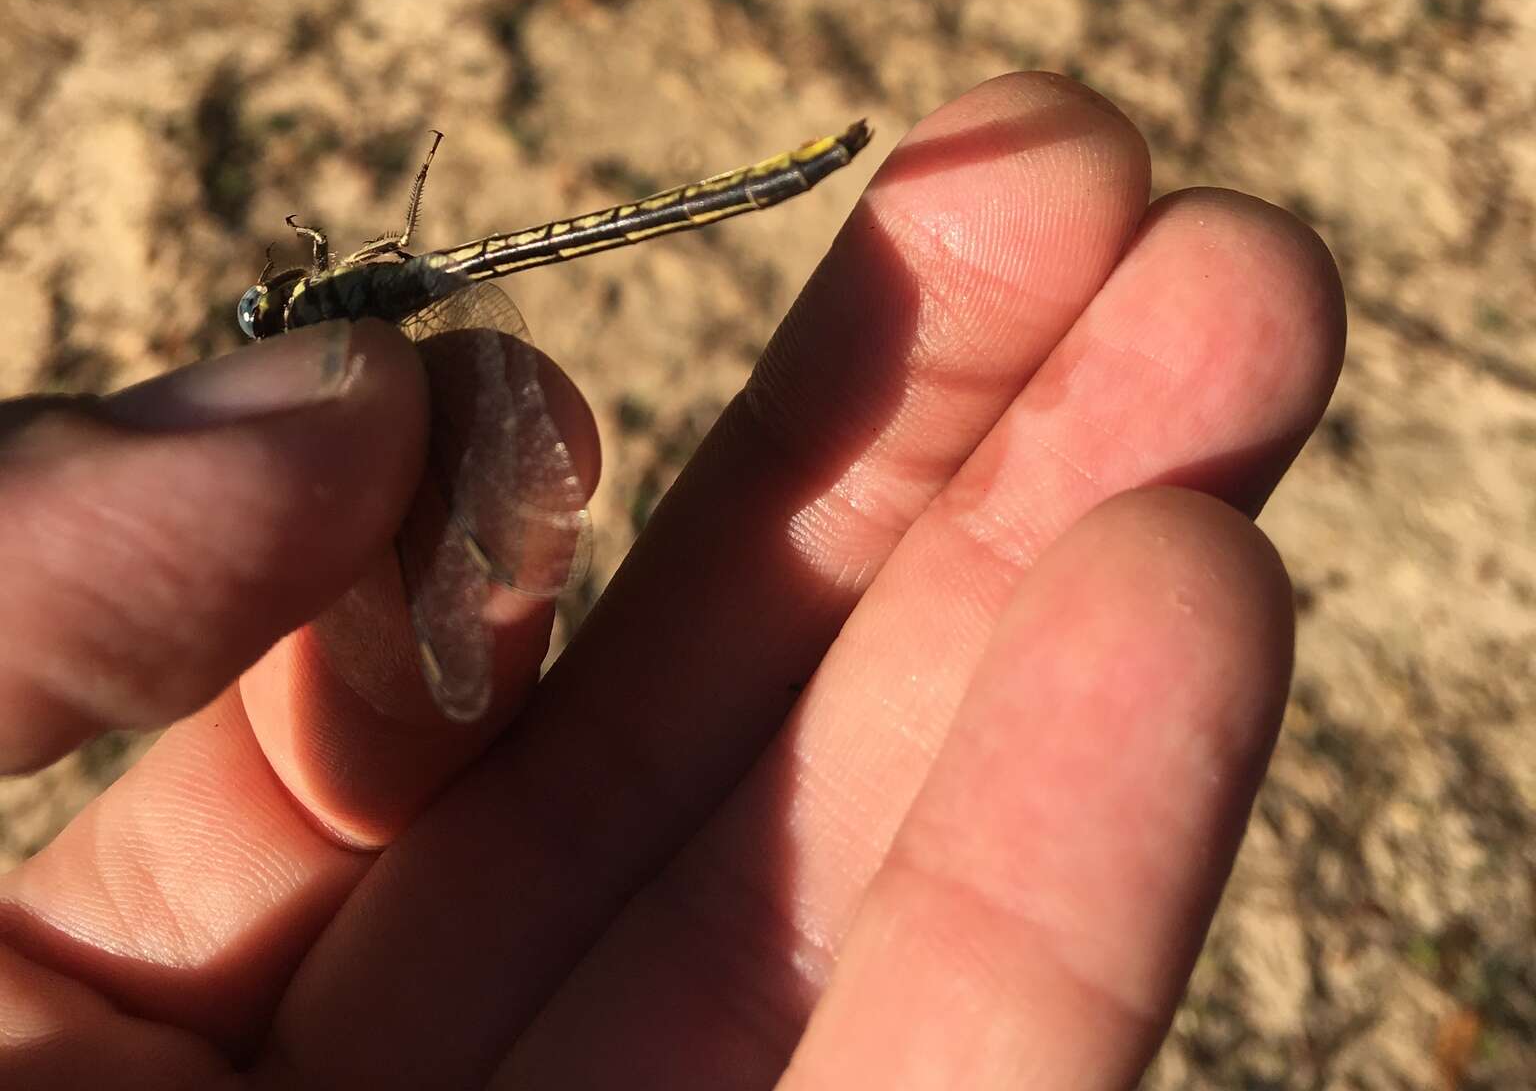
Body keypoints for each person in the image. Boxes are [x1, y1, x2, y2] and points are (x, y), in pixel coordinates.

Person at [0, 73, 1342, 1088]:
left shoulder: (341, 343)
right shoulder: (351, 341)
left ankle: (808, 169)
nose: (267, 321)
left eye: (271, 321)